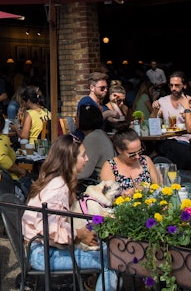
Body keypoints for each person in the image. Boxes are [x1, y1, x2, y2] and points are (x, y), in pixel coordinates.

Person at [22, 135, 118, 291]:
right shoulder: (58, 188)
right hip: (42, 254)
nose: (87, 159)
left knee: (107, 251)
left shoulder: (56, 180)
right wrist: (78, 234)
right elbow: (48, 228)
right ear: (70, 160)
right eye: (83, 155)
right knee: (111, 261)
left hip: (41, 248)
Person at [100, 129, 159, 195]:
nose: (137, 157)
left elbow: (157, 187)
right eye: (132, 154)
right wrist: (127, 195)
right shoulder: (110, 166)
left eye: (140, 151)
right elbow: (108, 196)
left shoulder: (145, 161)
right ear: (119, 150)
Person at [77, 104, 114, 181]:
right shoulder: (98, 134)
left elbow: (84, 172)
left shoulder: (93, 138)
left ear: (84, 119)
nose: (75, 119)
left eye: (77, 116)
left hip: (99, 182)